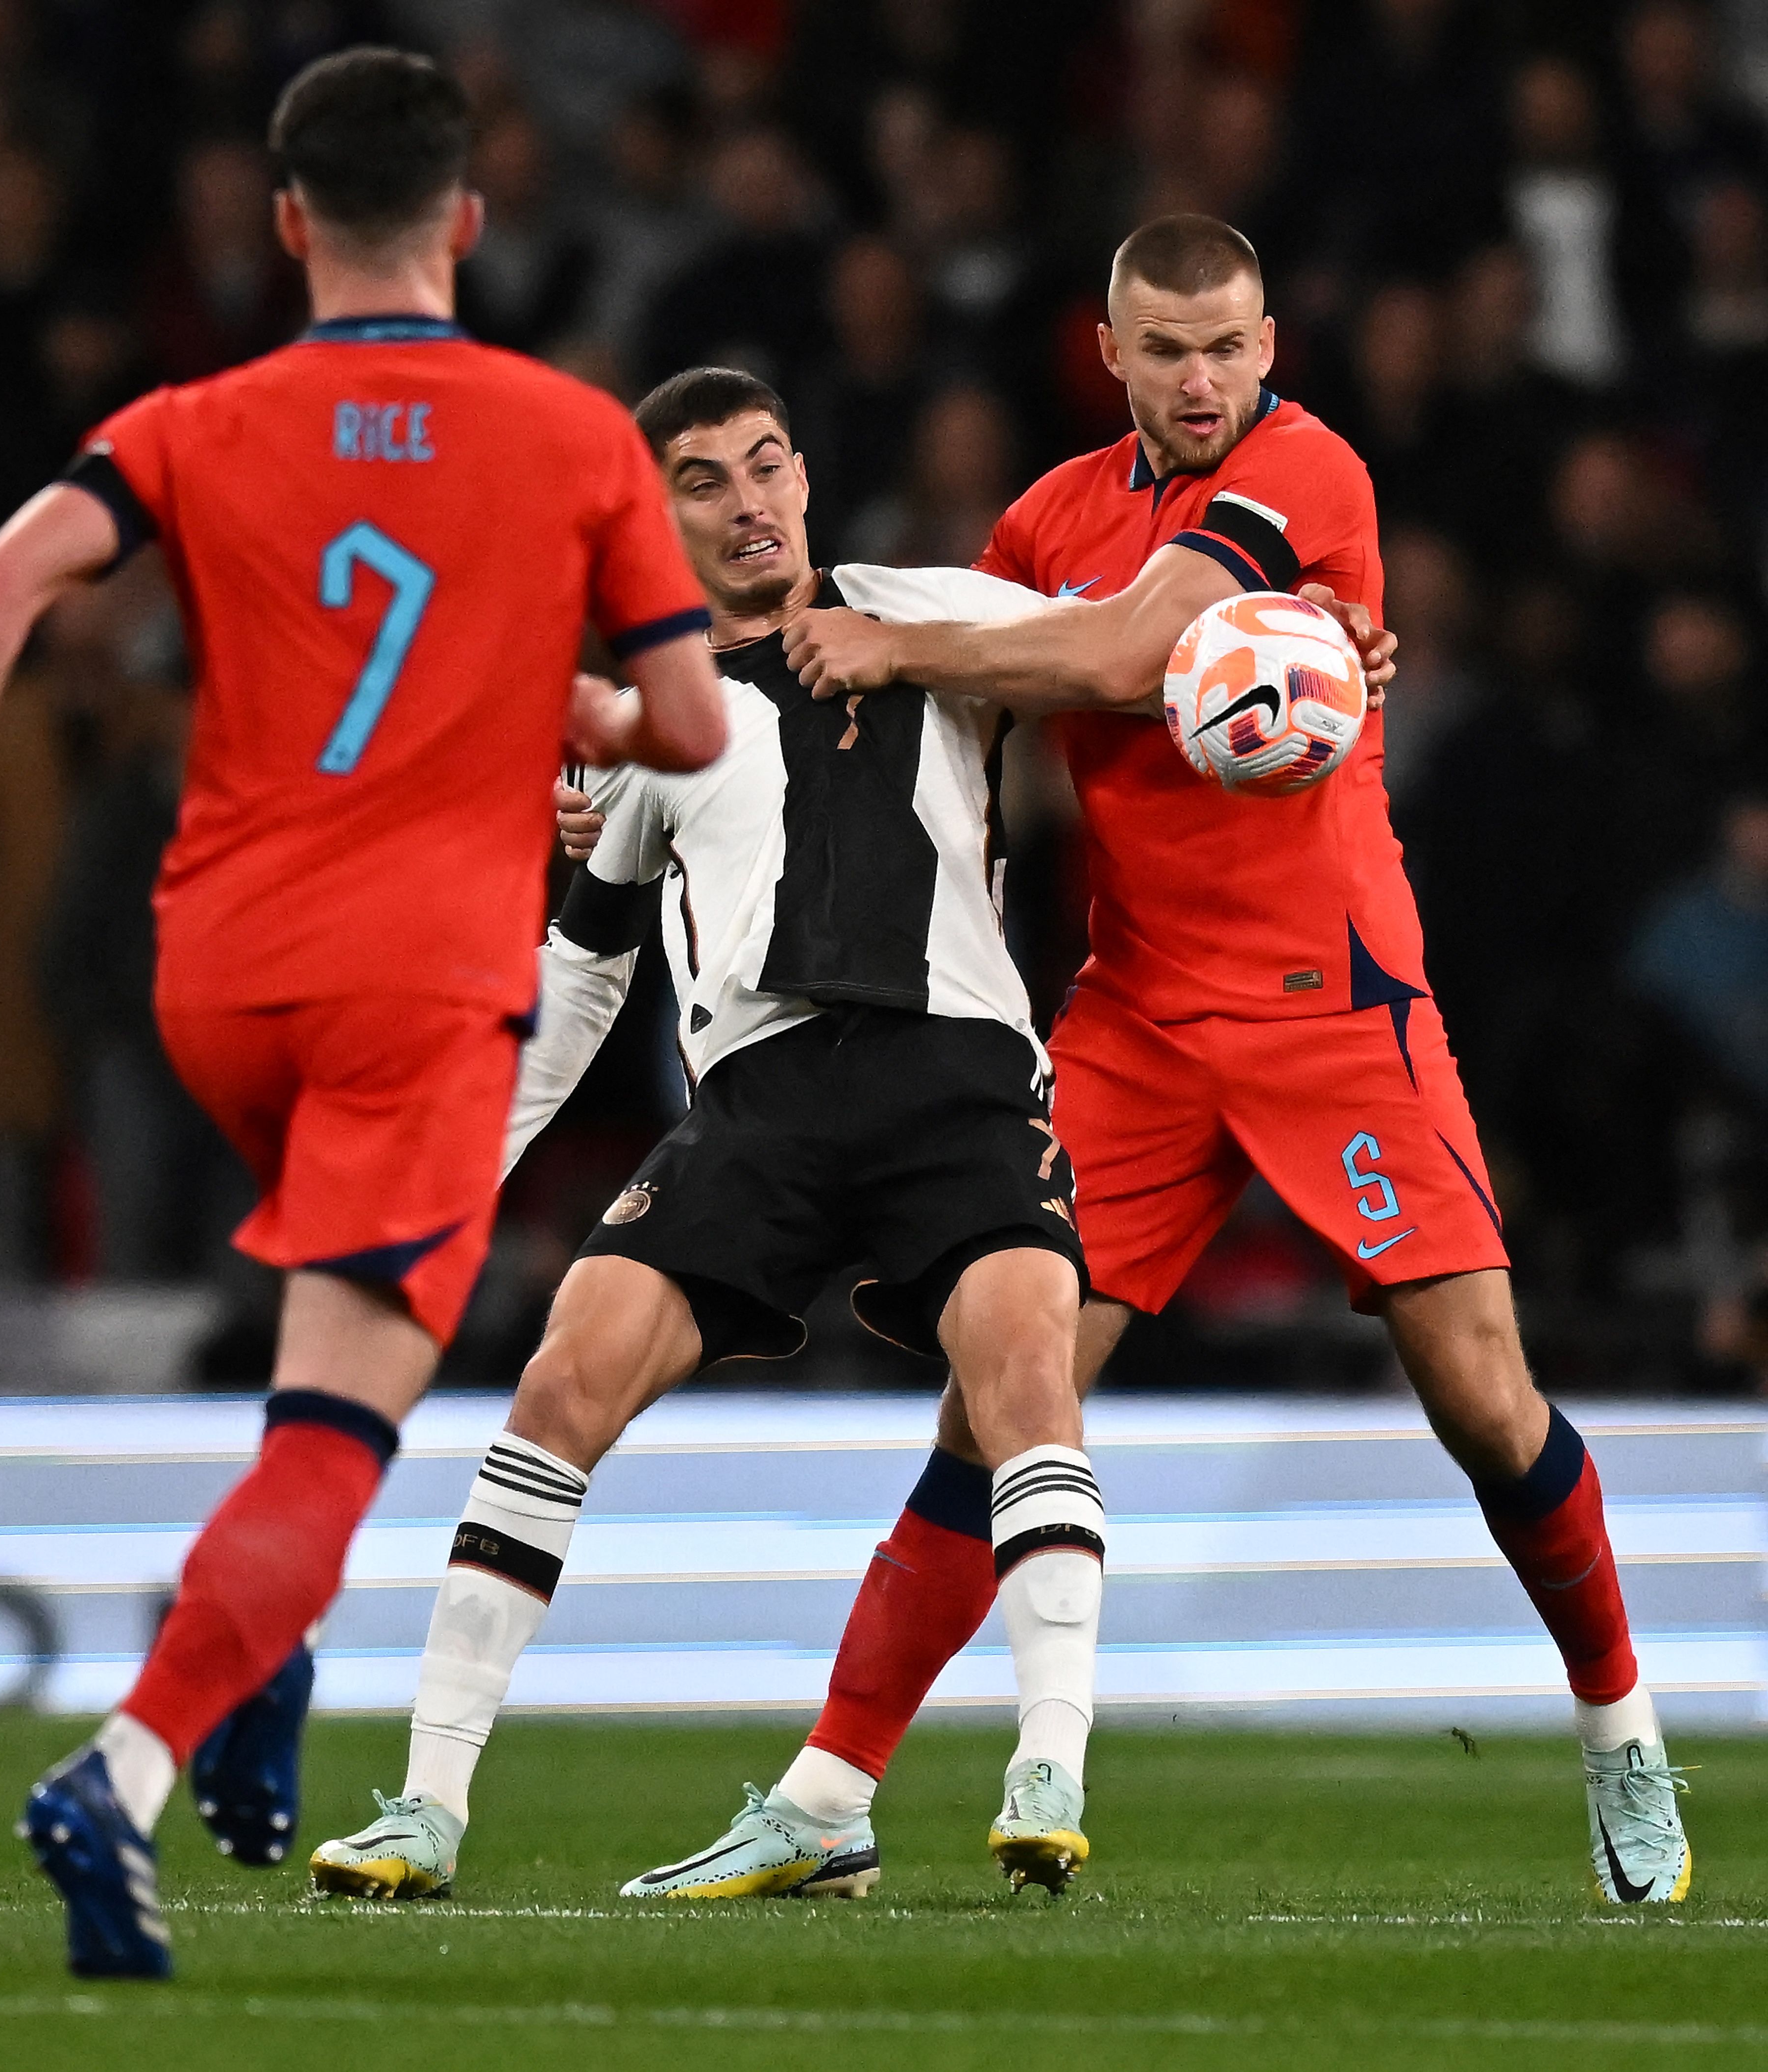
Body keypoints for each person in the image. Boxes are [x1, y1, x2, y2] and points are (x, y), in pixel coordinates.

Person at [663, 214, 1692, 1907]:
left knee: (1484, 1402)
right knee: (999, 1402)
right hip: (1136, 1018)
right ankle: (830, 1791)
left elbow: (1138, 653)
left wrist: (919, 641)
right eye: (1168, 349)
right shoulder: (1042, 521)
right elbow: (972, 729)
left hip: (1331, 1006)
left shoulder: (1313, 474)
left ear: (1269, 347)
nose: (1202, 380)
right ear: (1112, 355)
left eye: (1228, 348)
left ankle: (1622, 1733)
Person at [0, 48, 724, 1981]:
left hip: (218, 981)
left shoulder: (191, 419)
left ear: (283, 225)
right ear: (469, 223)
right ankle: (126, 1761)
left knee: (313, 1387)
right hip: (418, 987)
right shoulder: (574, 435)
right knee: (348, 1423)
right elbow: (682, 725)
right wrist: (572, 711)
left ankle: (270, 1655)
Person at [308, 364, 1131, 1906]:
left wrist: (1310, 635)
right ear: (651, 515)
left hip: (955, 1074)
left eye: (768, 466)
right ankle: (426, 1806)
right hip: (754, 1101)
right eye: (705, 481)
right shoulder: (639, 726)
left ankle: (1049, 1768)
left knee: (1028, 1371)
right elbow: (583, 968)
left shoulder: (928, 611)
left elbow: (1130, 640)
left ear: (807, 478)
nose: (749, 503)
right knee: (559, 1381)